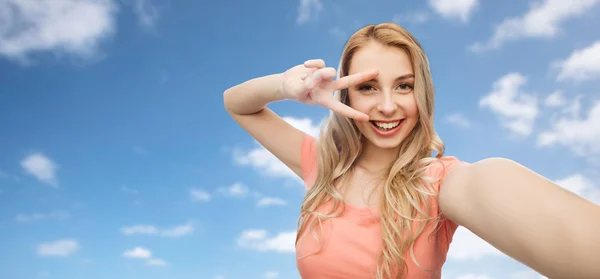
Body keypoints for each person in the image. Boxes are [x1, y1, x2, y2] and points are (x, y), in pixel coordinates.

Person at [223, 22, 600, 279]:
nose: (387, 106)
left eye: (403, 86)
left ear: (421, 94)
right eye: (368, 87)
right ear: (346, 93)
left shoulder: (439, 184)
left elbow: (489, 187)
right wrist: (287, 87)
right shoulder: (322, 166)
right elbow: (236, 103)